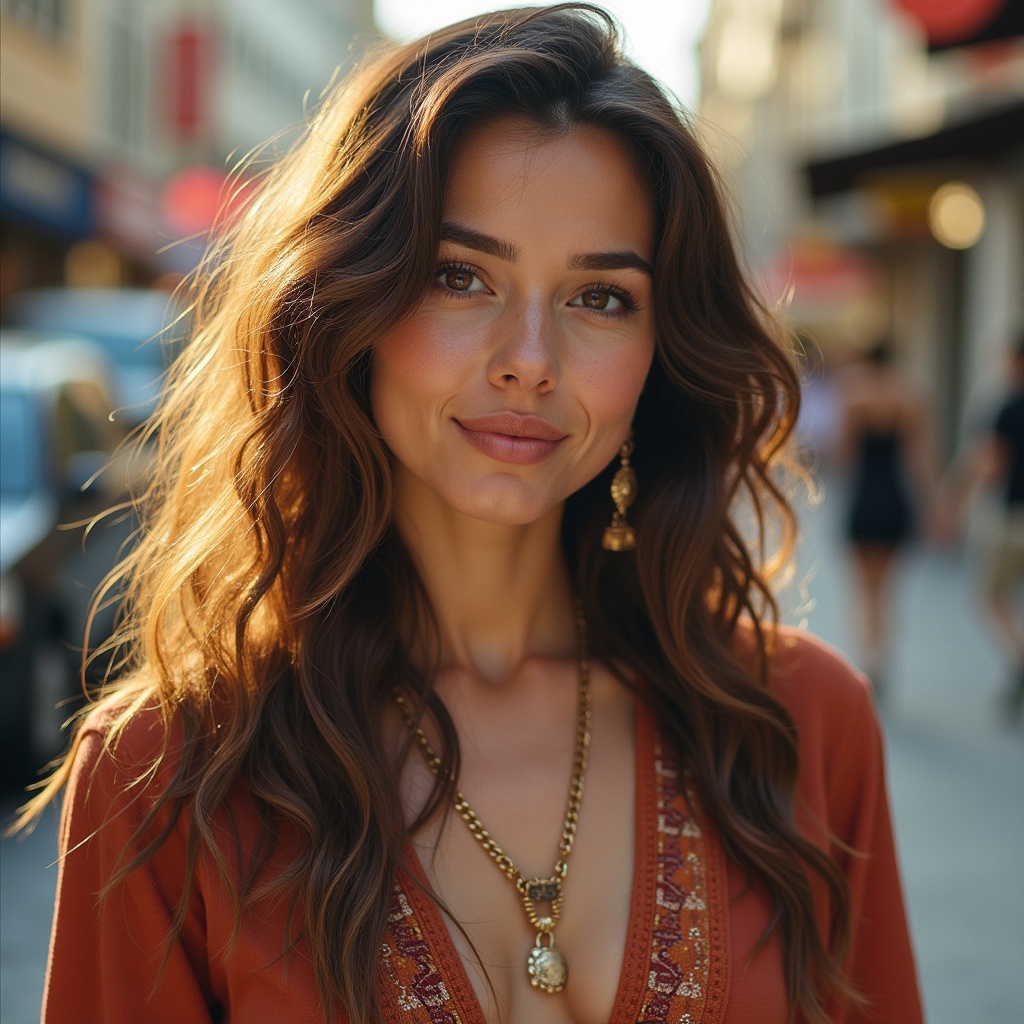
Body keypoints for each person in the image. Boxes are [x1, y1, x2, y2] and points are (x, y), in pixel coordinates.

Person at [18, 7, 922, 1023]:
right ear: (346, 308)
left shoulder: (800, 724)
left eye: (600, 298)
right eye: (460, 276)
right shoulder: (167, 771)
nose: (528, 356)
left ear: (660, 352)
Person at [835, 339, 939, 692]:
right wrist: (931, 507)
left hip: (864, 497)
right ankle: (882, 657)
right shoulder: (909, 397)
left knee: (863, 589)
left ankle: (867, 659)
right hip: (894, 499)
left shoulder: (853, 396)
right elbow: (919, 460)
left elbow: (844, 456)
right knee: (888, 589)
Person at [935, 335, 1024, 718]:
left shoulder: (1009, 406)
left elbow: (988, 460)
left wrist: (954, 501)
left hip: (1015, 517)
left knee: (991, 595)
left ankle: (1020, 658)